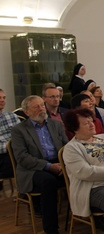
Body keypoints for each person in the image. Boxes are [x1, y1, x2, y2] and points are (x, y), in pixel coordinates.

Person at [11, 95, 69, 234]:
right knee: (48, 182)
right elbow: (22, 158)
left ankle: (90, 217)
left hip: (57, 162)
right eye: (36, 107)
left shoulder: (55, 124)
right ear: (27, 112)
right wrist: (49, 166)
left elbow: (67, 146)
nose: (41, 109)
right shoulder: (19, 130)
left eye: (42, 105)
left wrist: (63, 164)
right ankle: (51, 229)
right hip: (32, 169)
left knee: (79, 174)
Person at [0, 89, 20, 189]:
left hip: (16, 152)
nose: (2, 100)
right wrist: (11, 146)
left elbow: (22, 136)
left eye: (4, 98)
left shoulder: (12, 116)